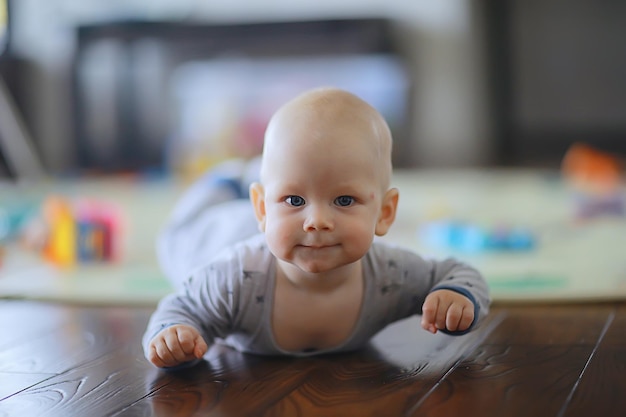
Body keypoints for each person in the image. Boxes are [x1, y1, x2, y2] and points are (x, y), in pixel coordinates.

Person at [143, 87, 490, 369]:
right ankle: (231, 180)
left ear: (384, 213)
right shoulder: (232, 278)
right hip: (216, 238)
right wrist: (174, 335)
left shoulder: (391, 275)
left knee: (288, 186)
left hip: (265, 220)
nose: (317, 221)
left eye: (343, 200)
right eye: (295, 200)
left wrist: (457, 298)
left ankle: (264, 181)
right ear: (262, 210)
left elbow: (459, 273)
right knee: (184, 236)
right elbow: (181, 307)